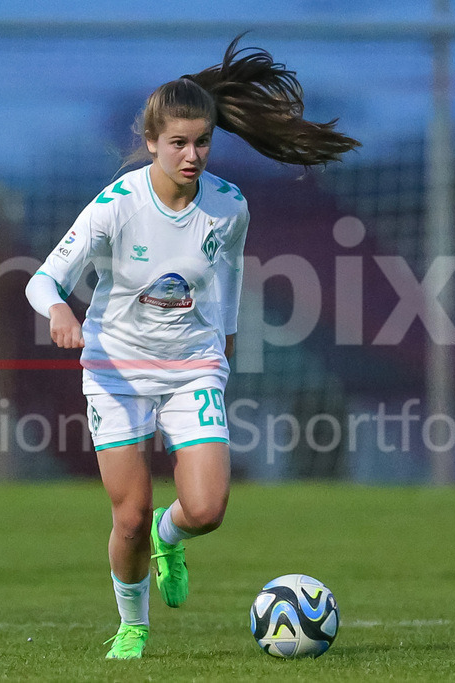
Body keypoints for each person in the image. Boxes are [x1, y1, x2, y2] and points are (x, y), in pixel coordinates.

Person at [25, 36, 359, 659]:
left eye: (202, 140)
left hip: (192, 366)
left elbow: (228, 272)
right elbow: (43, 279)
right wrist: (59, 311)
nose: (192, 154)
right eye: (178, 142)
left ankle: (168, 536)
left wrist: (225, 338)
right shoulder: (117, 205)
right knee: (127, 514)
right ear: (152, 141)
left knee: (205, 509)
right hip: (115, 369)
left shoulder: (229, 205)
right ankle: (133, 624)